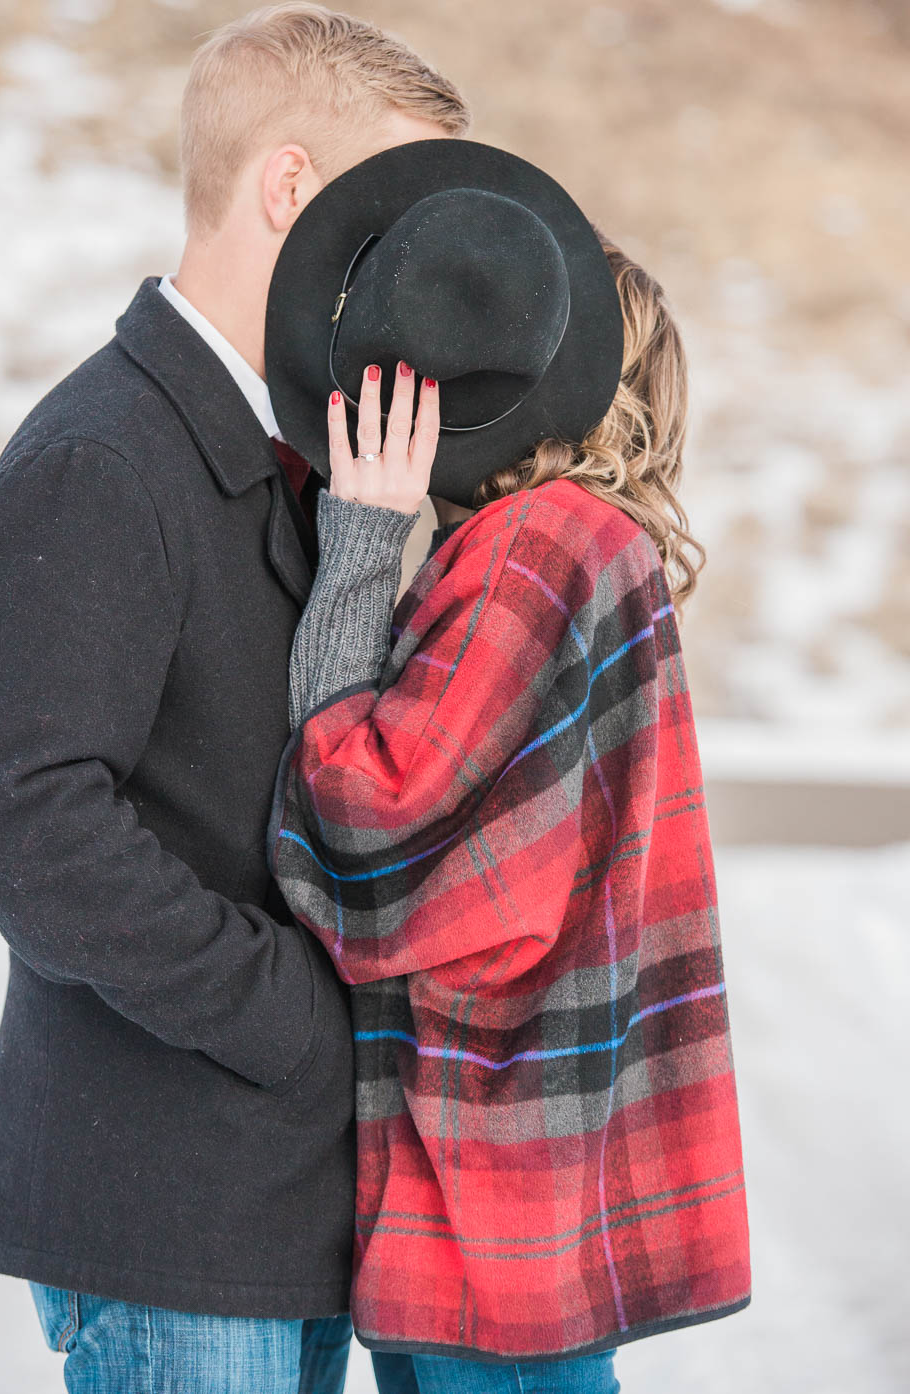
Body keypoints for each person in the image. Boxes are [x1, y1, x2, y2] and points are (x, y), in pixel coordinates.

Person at [0, 3, 467, 1394]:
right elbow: (18, 811)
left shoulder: (283, 448)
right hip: (164, 1202)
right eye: (392, 199)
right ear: (289, 185)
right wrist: (291, 1013)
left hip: (272, 1196)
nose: (416, 248)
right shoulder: (106, 458)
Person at [266, 138, 752, 1390]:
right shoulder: (594, 550)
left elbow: (365, 821)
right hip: (535, 1187)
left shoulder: (538, 548)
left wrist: (361, 544)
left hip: (488, 1190)